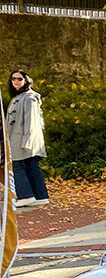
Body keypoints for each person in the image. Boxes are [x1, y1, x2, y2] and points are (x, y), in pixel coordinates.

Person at [6, 70, 49, 208]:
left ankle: (25, 195)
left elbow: (32, 121)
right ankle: (40, 196)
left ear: (26, 80)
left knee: (18, 166)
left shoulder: (30, 97)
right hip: (18, 138)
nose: (16, 81)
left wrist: (28, 140)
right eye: (13, 79)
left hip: (23, 139)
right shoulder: (18, 97)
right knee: (31, 166)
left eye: (19, 78)